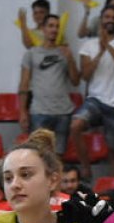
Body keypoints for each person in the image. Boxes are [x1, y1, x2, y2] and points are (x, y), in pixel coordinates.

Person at [71, 5, 114, 181]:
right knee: (75, 126)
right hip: (95, 100)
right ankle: (85, 168)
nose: (110, 20)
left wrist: (108, 45)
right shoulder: (88, 45)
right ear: (101, 20)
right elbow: (85, 75)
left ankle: (112, 189)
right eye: (107, 16)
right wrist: (100, 51)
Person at [19, 13, 80, 154]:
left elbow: (75, 81)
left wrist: (70, 59)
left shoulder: (65, 53)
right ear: (43, 29)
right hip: (39, 112)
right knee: (38, 157)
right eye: (51, 26)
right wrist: (22, 111)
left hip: (63, 112)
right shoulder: (31, 53)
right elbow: (24, 84)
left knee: (58, 159)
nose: (54, 29)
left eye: (57, 26)